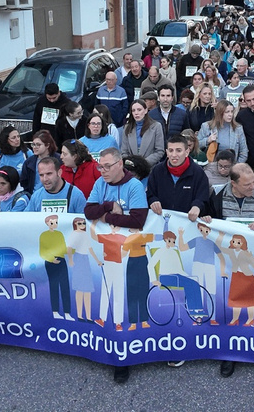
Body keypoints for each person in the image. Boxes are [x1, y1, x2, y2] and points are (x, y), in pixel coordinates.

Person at [85, 148, 149, 384]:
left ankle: (125, 355)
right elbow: (88, 210)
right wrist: (109, 205)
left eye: (108, 166)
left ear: (120, 164)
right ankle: (110, 347)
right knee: (106, 293)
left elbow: (138, 220)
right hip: (108, 254)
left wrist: (107, 218)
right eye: (100, 166)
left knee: (122, 295)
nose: (103, 171)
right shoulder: (101, 184)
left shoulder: (133, 186)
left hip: (128, 255)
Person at [146, 135, 210, 221]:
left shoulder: (198, 173)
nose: (174, 155)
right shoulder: (157, 171)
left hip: (187, 224)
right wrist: (153, 201)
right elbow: (150, 193)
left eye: (178, 150)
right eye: (171, 150)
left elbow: (203, 197)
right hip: (161, 222)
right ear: (167, 152)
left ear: (187, 152)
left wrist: (197, 206)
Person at [207, 162, 254, 227]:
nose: (252, 187)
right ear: (234, 183)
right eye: (247, 185)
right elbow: (208, 219)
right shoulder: (217, 194)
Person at [40, 214, 74, 321]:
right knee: (53, 286)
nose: (55, 224)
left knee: (65, 286)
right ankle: (55, 311)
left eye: (56, 222)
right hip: (50, 262)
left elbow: (63, 248)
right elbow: (42, 251)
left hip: (61, 260)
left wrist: (74, 250)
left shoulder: (59, 234)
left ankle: (67, 313)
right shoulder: (43, 235)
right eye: (52, 222)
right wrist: (51, 259)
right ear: (47, 223)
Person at [67, 217, 101, 323]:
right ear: (75, 224)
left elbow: (90, 248)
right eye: (80, 223)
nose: (82, 225)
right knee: (79, 289)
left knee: (87, 289)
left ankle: (89, 316)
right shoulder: (73, 234)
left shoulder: (85, 235)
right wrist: (71, 260)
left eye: (84, 223)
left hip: (85, 259)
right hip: (78, 258)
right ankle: (79, 315)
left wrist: (97, 260)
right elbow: (69, 248)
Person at [120, 99, 165, 167]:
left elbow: (159, 151)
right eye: (133, 110)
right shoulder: (127, 128)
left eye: (139, 110)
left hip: (150, 168)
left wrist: (143, 164)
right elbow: (124, 152)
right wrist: (132, 164)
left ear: (146, 110)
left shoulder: (156, 126)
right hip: (132, 169)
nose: (136, 113)